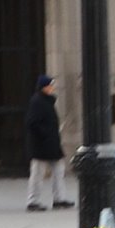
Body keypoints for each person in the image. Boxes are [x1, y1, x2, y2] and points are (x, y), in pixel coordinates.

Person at [24, 74, 72, 211]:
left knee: (58, 171)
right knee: (37, 174)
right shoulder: (37, 101)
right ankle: (33, 201)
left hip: (51, 143)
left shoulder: (47, 101)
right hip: (41, 144)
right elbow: (32, 123)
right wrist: (45, 135)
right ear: (44, 87)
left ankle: (59, 198)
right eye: (50, 85)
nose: (52, 88)